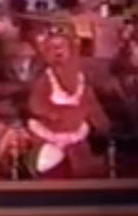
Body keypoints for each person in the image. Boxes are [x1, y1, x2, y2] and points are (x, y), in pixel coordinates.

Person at [28, 27, 111, 177]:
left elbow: (91, 103)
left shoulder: (80, 80)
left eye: (61, 46)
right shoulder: (46, 79)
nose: (57, 50)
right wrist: (52, 113)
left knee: (81, 162)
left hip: (75, 134)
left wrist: (101, 123)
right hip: (50, 133)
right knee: (48, 162)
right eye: (53, 47)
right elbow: (35, 104)